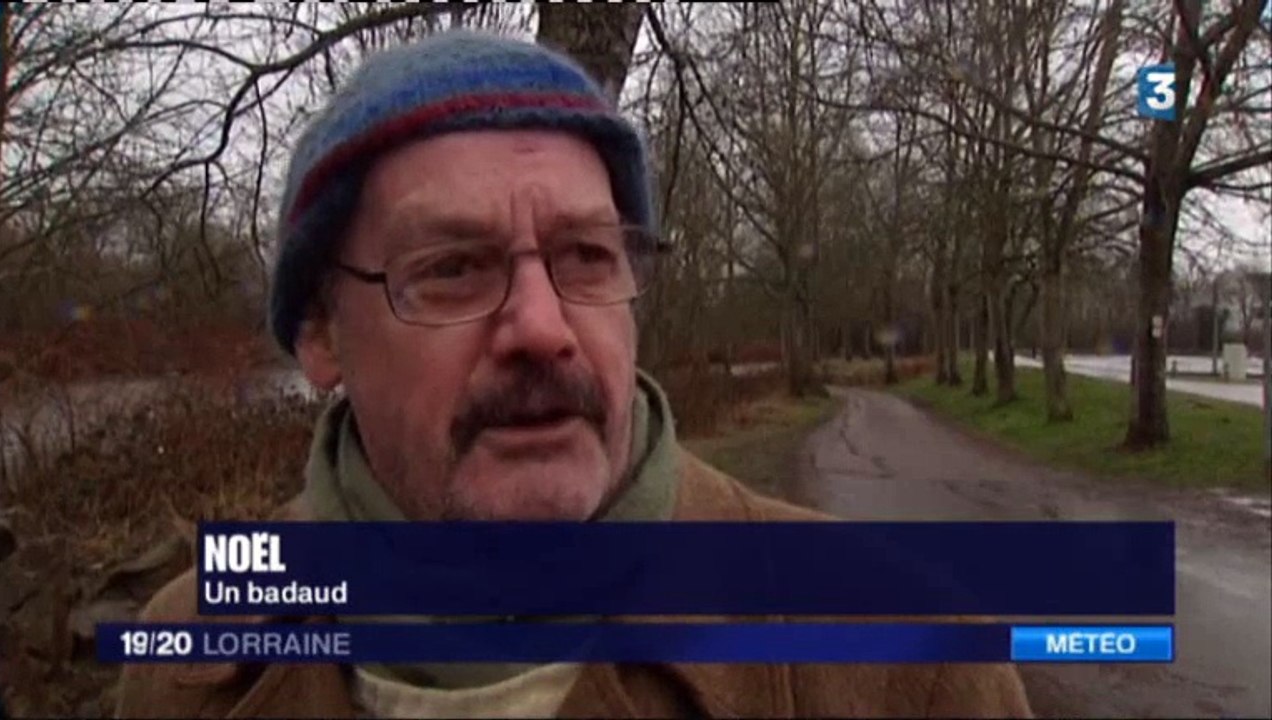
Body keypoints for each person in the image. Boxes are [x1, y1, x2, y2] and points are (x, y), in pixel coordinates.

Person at [115, 30, 1032, 718]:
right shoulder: (189, 652)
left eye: (587, 257)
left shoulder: (908, 654)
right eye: (452, 269)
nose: (543, 330)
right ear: (320, 333)